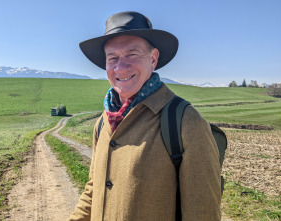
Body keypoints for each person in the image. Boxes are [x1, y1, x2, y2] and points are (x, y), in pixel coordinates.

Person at [68, 11, 221, 221]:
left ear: (153, 58)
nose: (120, 67)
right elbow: (93, 190)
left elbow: (203, 215)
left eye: (132, 54)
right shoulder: (102, 123)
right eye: (112, 58)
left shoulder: (186, 122)